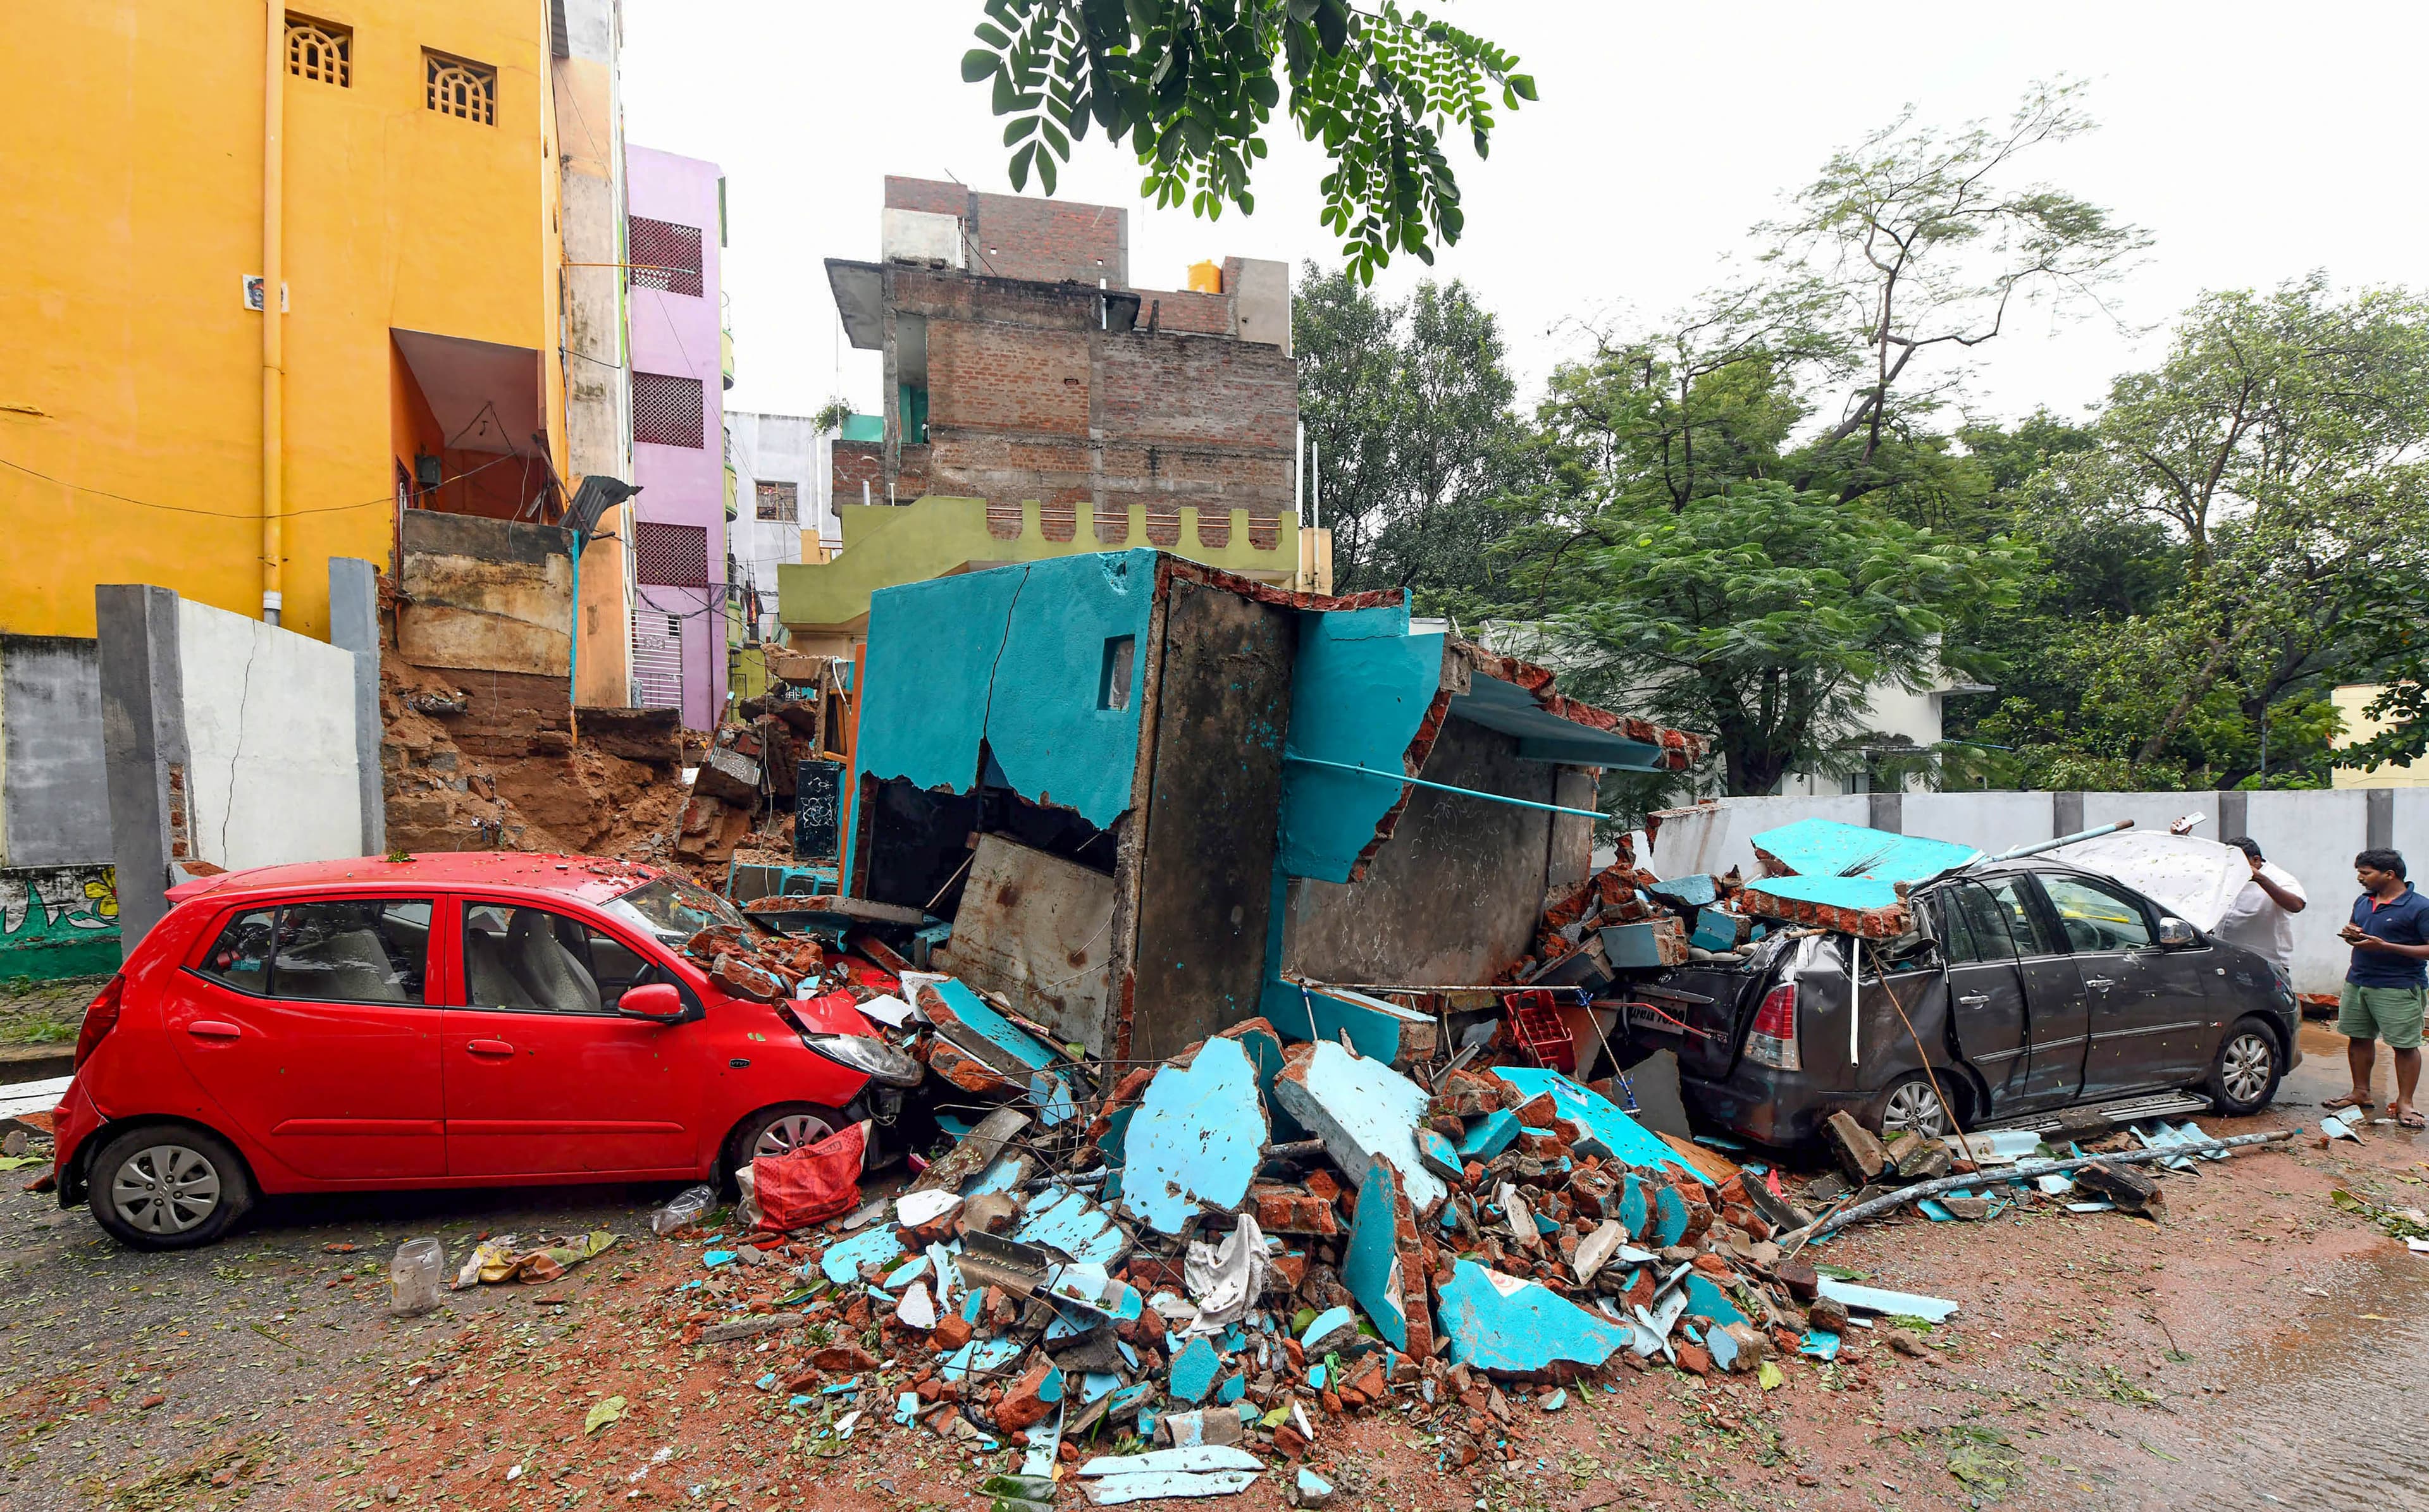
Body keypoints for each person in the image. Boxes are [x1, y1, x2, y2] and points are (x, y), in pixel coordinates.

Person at [2330, 848, 2429, 1128]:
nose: (2360, 878)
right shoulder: (2364, 901)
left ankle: (2406, 1103)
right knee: (2358, 1037)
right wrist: (2353, 935)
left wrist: (2386, 946)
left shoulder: (2420, 907)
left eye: (2366, 873)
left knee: (2404, 1045)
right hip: (2359, 980)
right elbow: (2359, 929)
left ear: (2389, 874)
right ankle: (2361, 1092)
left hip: (2399, 986)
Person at [2213, 836, 2307, 977]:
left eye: (2238, 863)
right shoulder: (2228, 874)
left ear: (2256, 860)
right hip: (2226, 957)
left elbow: (2297, 905)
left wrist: (2260, 879)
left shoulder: (2280, 878)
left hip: (2264, 962)